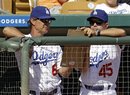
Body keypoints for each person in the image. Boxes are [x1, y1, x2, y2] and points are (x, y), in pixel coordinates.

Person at [2, 6, 75, 95]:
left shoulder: (55, 44)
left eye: (49, 21)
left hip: (55, 91)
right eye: (44, 20)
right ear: (33, 21)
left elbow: (64, 73)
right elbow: (6, 29)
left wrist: (71, 62)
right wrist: (25, 41)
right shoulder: (24, 39)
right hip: (33, 92)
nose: (47, 23)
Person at [79, 9, 126, 95]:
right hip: (86, 90)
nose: (94, 25)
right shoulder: (85, 41)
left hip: (107, 91)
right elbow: (82, 69)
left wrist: (97, 33)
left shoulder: (112, 42)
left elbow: (122, 32)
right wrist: (85, 42)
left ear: (106, 25)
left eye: (98, 22)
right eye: (92, 22)